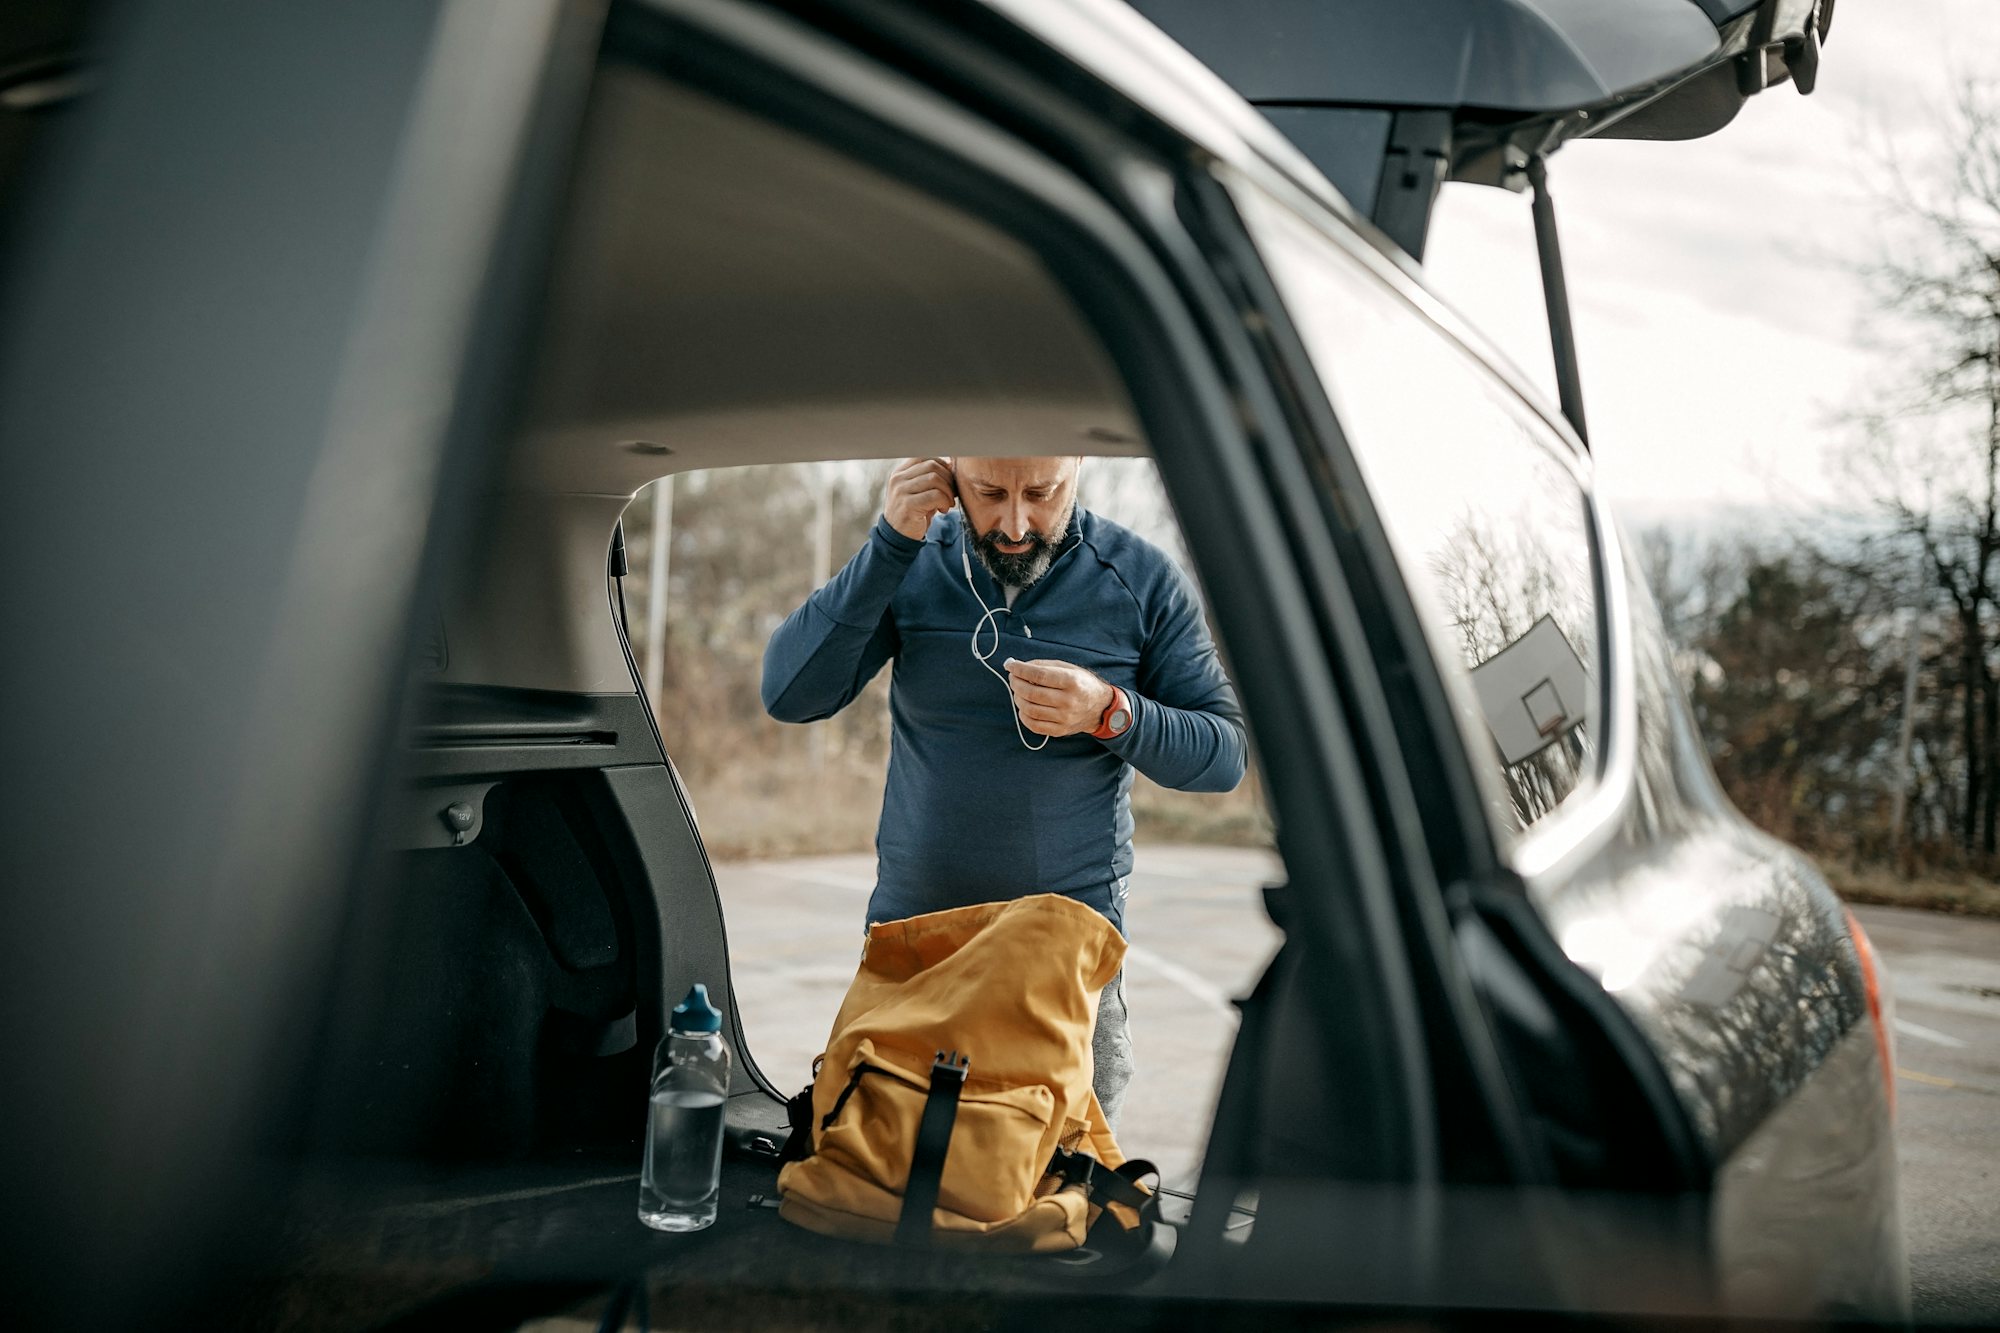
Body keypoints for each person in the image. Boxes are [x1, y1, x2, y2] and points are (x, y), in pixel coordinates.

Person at [760, 456, 1246, 1126]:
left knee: (1057, 1186)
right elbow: (789, 695)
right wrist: (888, 545)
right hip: (915, 953)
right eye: (989, 493)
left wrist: (1109, 711)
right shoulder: (909, 558)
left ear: (1077, 467)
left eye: (1041, 493)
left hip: (1065, 964)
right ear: (950, 472)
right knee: (884, 1176)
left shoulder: (1142, 578)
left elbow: (1225, 755)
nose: (1015, 525)